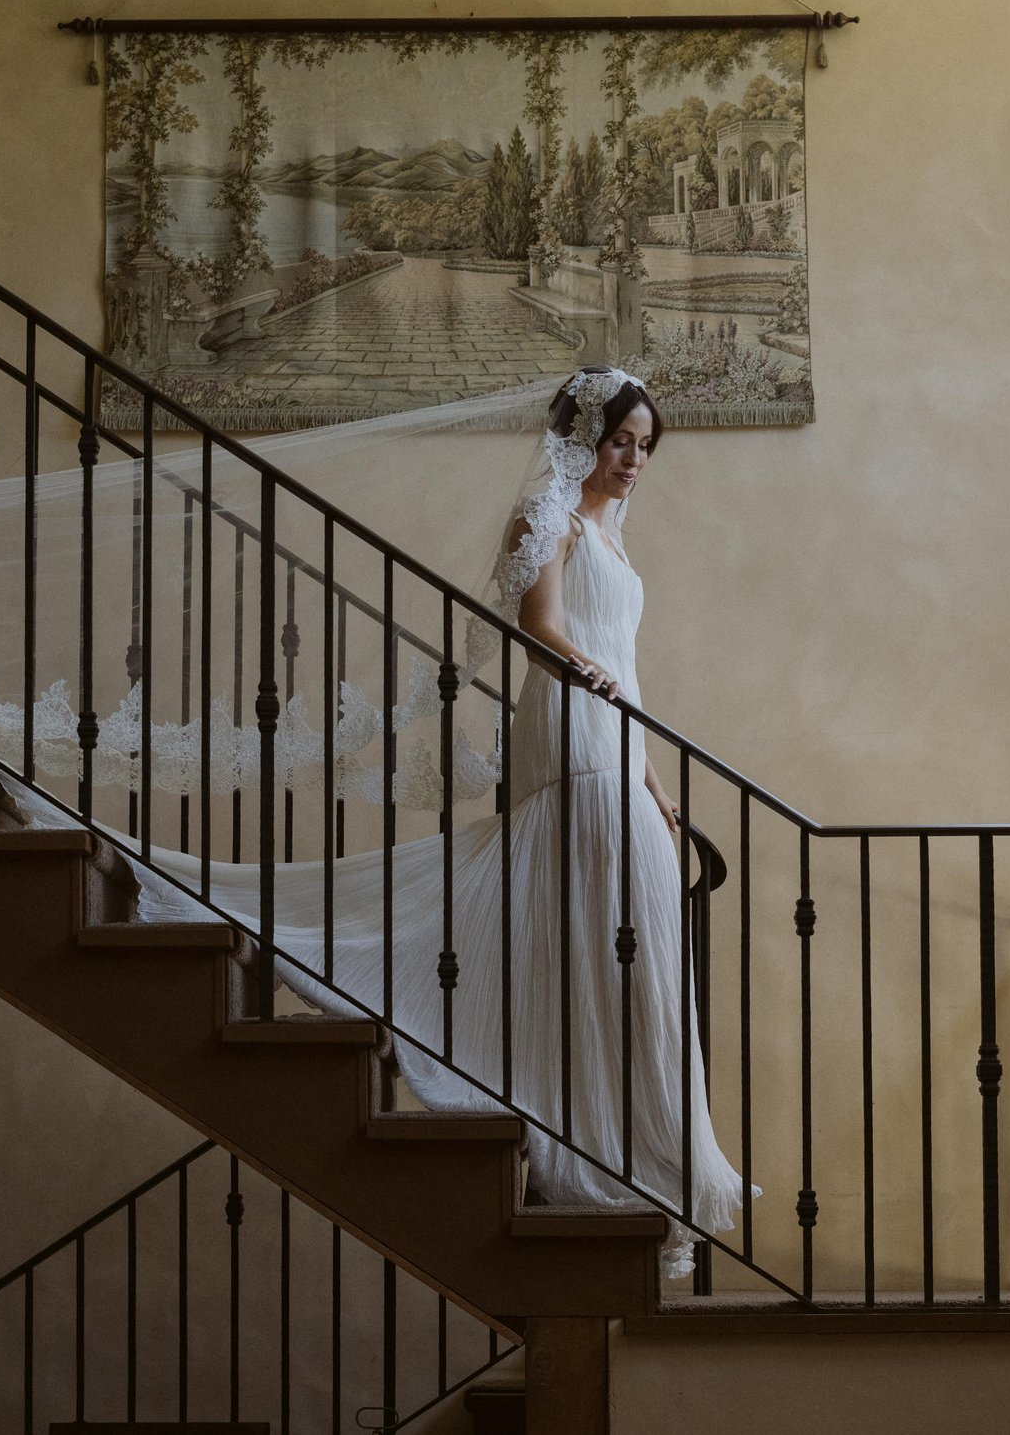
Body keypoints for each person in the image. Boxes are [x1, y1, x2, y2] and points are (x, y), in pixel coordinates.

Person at [137, 366, 749, 1278]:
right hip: (573, 732)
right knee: (592, 922)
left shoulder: (614, 540)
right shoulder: (548, 519)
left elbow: (627, 665)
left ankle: (644, 1149)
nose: (634, 461)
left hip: (617, 741)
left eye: (646, 447)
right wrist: (592, 681)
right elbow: (539, 626)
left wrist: (656, 784)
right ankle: (588, 1138)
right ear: (584, 436)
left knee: (631, 937)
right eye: (622, 441)